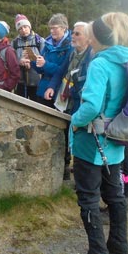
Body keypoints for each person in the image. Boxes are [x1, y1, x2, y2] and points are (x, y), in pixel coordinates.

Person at [70, 12, 128, 254]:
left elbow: (91, 106)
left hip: (91, 143)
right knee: (116, 196)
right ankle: (119, 250)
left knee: (88, 198)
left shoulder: (100, 64)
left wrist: (74, 121)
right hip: (117, 142)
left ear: (97, 36)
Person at [45, 21, 94, 179]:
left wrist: (72, 92)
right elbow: (61, 71)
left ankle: (81, 175)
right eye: (73, 32)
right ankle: (65, 167)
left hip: (79, 103)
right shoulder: (72, 52)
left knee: (79, 137)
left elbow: (88, 85)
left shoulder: (92, 57)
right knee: (65, 132)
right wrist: (52, 86)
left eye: (77, 34)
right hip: (64, 101)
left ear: (88, 38)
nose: (72, 36)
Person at [32, 13, 72, 108]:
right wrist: (32, 61)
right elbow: (40, 70)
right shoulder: (47, 44)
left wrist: (45, 64)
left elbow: (63, 71)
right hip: (42, 89)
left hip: (58, 92)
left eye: (55, 28)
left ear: (64, 28)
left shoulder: (70, 46)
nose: (52, 31)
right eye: (51, 28)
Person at [12, 14, 44, 100]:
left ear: (29, 26)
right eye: (20, 29)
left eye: (25, 27)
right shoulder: (15, 43)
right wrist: (19, 62)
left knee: (36, 109)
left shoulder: (39, 41)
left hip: (37, 82)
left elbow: (45, 59)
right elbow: (11, 61)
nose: (23, 30)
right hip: (21, 83)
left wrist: (33, 61)